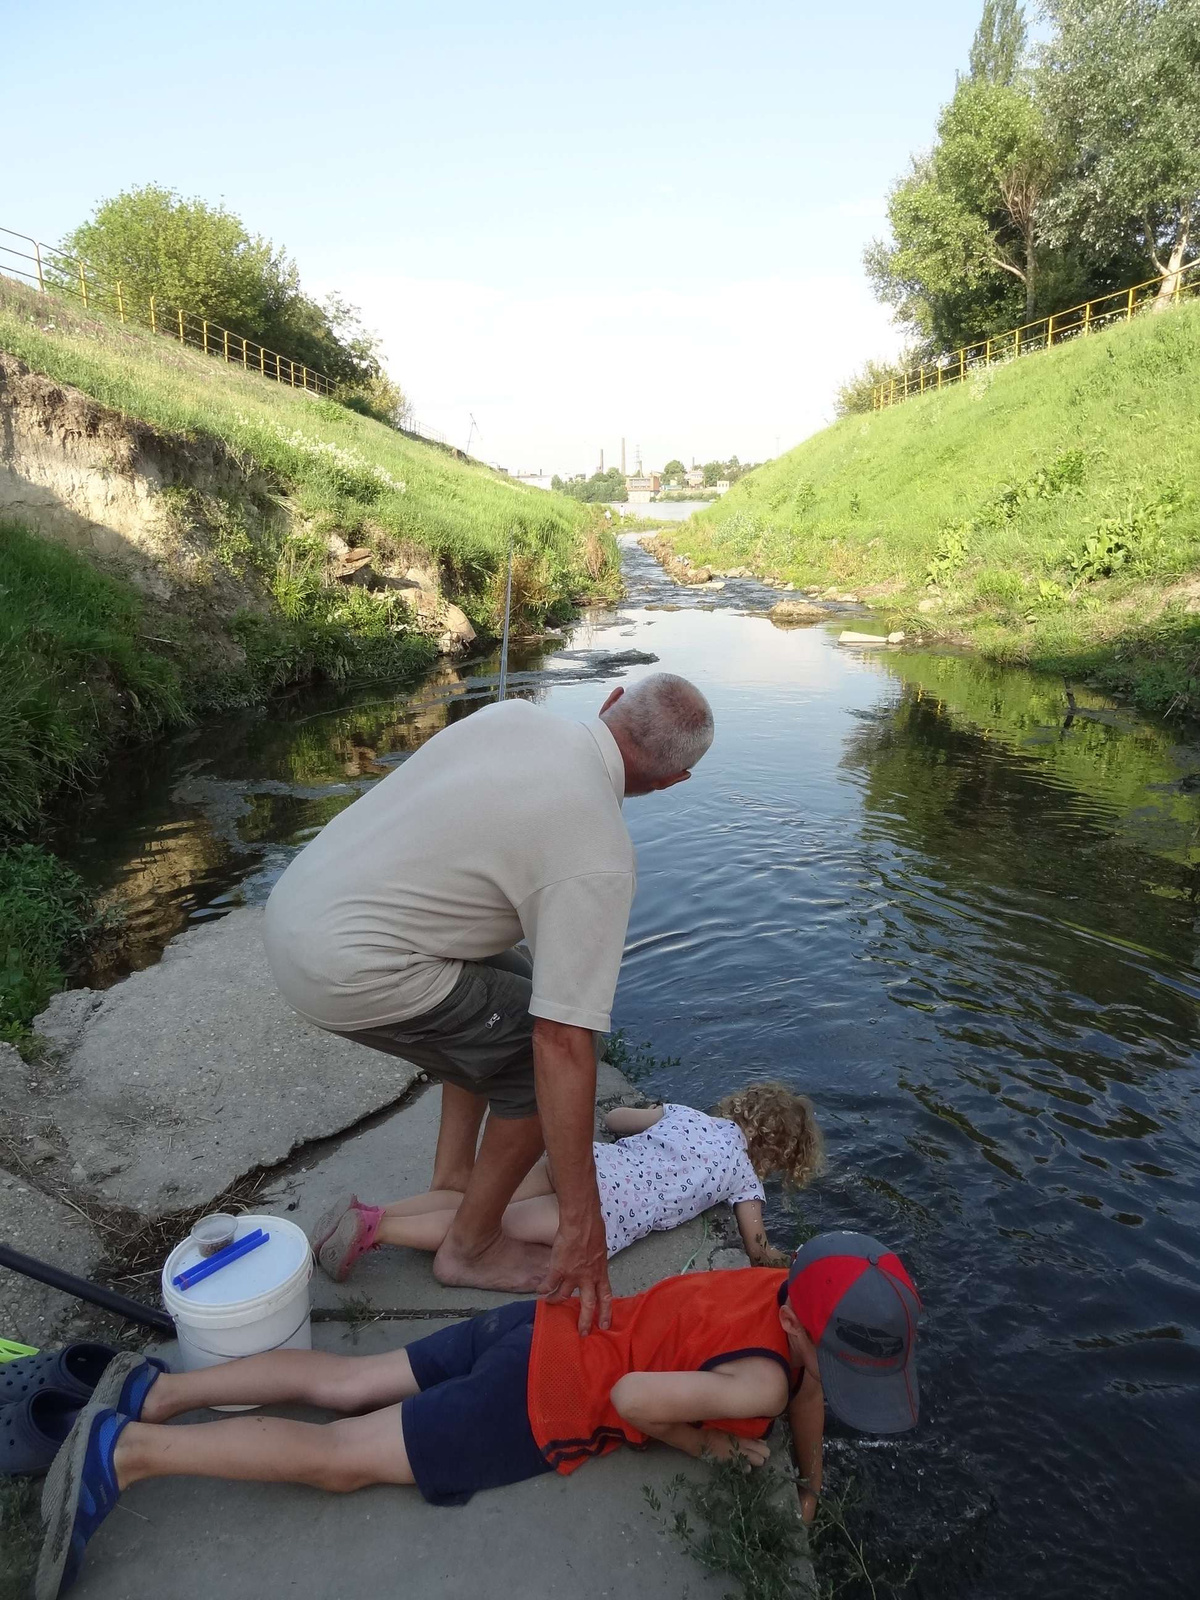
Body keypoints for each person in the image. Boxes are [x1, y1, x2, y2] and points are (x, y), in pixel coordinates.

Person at [36, 1233, 921, 1600]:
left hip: (536, 1325)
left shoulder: (780, 1286)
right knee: (344, 1456)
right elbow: (632, 1402)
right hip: (541, 1399)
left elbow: (811, 1393)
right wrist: (709, 1447)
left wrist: (809, 1480)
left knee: (354, 1382)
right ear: (811, 1328)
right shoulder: (764, 1384)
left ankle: (161, 1392)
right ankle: (133, 1452)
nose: (835, 1388)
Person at [263, 673, 714, 1327]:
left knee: (520, 986)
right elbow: (563, 1044)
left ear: (610, 700)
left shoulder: (514, 715)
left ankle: (452, 1179)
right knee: (538, 1062)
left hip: (298, 911)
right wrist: (583, 1225)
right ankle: (470, 1248)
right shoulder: (599, 852)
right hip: (348, 967)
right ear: (672, 782)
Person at [313, 1083, 824, 1281]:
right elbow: (757, 1250)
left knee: (481, 1199)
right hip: (607, 1207)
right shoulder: (742, 1177)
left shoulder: (688, 1115)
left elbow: (621, 1118)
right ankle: (374, 1230)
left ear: (741, 1107)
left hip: (583, 1165)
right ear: (776, 1155)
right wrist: (786, 1260)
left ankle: (374, 1210)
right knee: (495, 1226)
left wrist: (636, 1115)